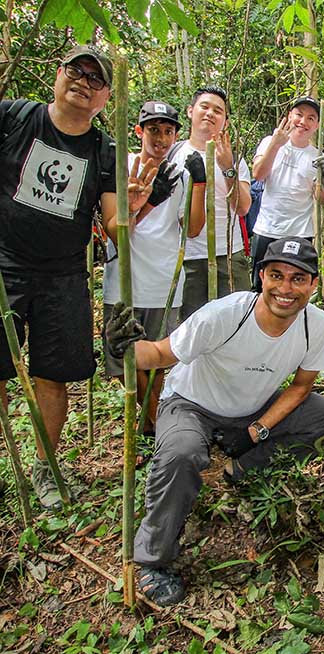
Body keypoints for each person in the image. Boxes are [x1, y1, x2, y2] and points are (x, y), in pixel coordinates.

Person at [105, 237, 324, 606]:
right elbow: (157, 353)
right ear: (261, 277)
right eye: (276, 275)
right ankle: (153, 559)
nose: (286, 289)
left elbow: (301, 387)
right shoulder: (225, 314)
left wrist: (255, 431)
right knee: (180, 453)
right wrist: (122, 346)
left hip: (252, 406)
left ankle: (241, 471)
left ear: (314, 284)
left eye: (298, 279)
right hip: (192, 403)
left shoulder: (317, 325)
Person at [0, 45, 155, 509]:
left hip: (64, 275)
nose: (84, 82)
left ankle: (46, 465)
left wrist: (131, 206)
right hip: (3, 266)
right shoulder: (15, 118)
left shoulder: (103, 150)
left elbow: (111, 225)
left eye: (96, 79)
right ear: (57, 74)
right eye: (77, 71)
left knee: (53, 376)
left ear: (106, 97)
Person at [102, 101, 206, 438]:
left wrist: (200, 184)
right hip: (125, 281)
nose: (160, 138)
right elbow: (115, 228)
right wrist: (145, 203)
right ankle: (158, 421)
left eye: (167, 131)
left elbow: (191, 229)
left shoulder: (182, 173)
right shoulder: (122, 166)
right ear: (139, 131)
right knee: (120, 359)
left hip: (165, 282)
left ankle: (152, 426)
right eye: (153, 130)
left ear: (176, 135)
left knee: (159, 362)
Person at [170, 85, 252, 320]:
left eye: (218, 111)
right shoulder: (173, 154)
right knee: (188, 327)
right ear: (190, 111)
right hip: (187, 256)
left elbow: (243, 207)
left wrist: (227, 167)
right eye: (204, 107)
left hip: (228, 255)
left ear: (225, 121)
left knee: (236, 323)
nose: (209, 113)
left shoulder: (233, 158)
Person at [250, 96, 324, 291]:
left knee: (295, 288)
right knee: (261, 287)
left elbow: (321, 199)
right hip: (267, 228)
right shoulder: (270, 141)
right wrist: (276, 145)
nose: (303, 122)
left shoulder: (317, 155)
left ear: (317, 125)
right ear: (289, 116)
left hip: (300, 232)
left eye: (311, 118)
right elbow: (258, 174)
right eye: (299, 115)